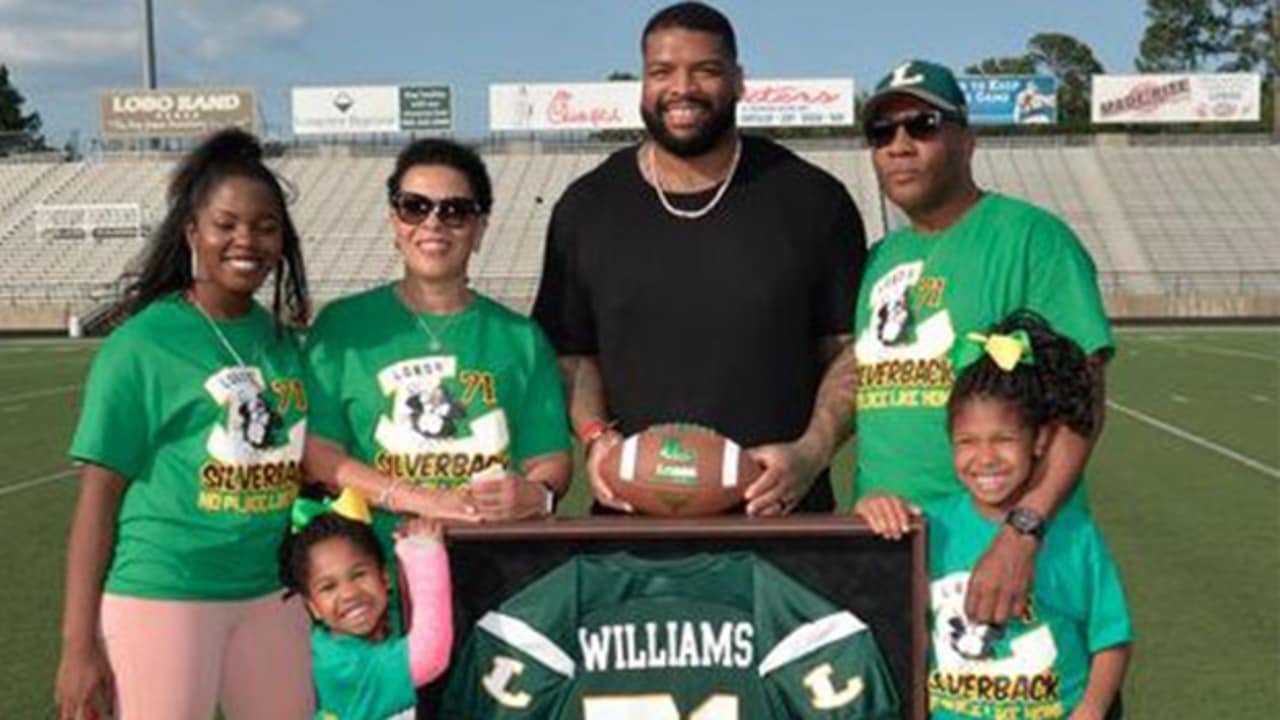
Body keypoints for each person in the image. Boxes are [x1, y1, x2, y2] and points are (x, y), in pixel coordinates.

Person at [532, 1, 865, 517]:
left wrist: (812, 451)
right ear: (643, 83)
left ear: (738, 80)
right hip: (631, 527)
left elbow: (852, 350)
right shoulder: (588, 206)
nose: (681, 89)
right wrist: (597, 438)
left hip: (783, 521)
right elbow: (572, 354)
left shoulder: (812, 199)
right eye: (662, 72)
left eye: (705, 70)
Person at [55, 128, 314, 719]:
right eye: (226, 224)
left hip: (271, 595)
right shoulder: (141, 345)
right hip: (164, 593)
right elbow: (97, 502)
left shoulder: (285, 346)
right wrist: (78, 648)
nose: (245, 239)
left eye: (265, 226)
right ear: (192, 232)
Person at [851, 59, 1113, 625]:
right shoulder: (881, 260)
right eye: (882, 132)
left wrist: (1024, 528)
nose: (898, 145)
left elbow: (1082, 399)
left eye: (921, 125)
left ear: (966, 142)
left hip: (1007, 550)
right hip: (894, 548)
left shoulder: (1032, 238)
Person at [858, 311, 1132, 719]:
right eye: (967, 442)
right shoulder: (930, 528)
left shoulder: (1074, 534)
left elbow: (1110, 637)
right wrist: (873, 506)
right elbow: (875, 598)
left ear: (1039, 440)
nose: (985, 458)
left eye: (1003, 440)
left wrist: (1091, 710)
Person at [304, 138, 571, 539]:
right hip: (374, 578)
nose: (433, 223)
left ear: (479, 229)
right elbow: (319, 457)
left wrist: (537, 494)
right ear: (395, 221)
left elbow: (550, 460)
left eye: (456, 211)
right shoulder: (341, 327)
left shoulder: (522, 339)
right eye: (415, 206)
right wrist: (420, 499)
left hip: (495, 573)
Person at [280, 490, 452, 720]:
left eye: (359, 574)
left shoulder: (327, 642)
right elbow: (428, 657)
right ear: (313, 607)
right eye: (328, 587)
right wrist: (424, 554)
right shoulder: (347, 665)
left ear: (385, 578)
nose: (349, 593)